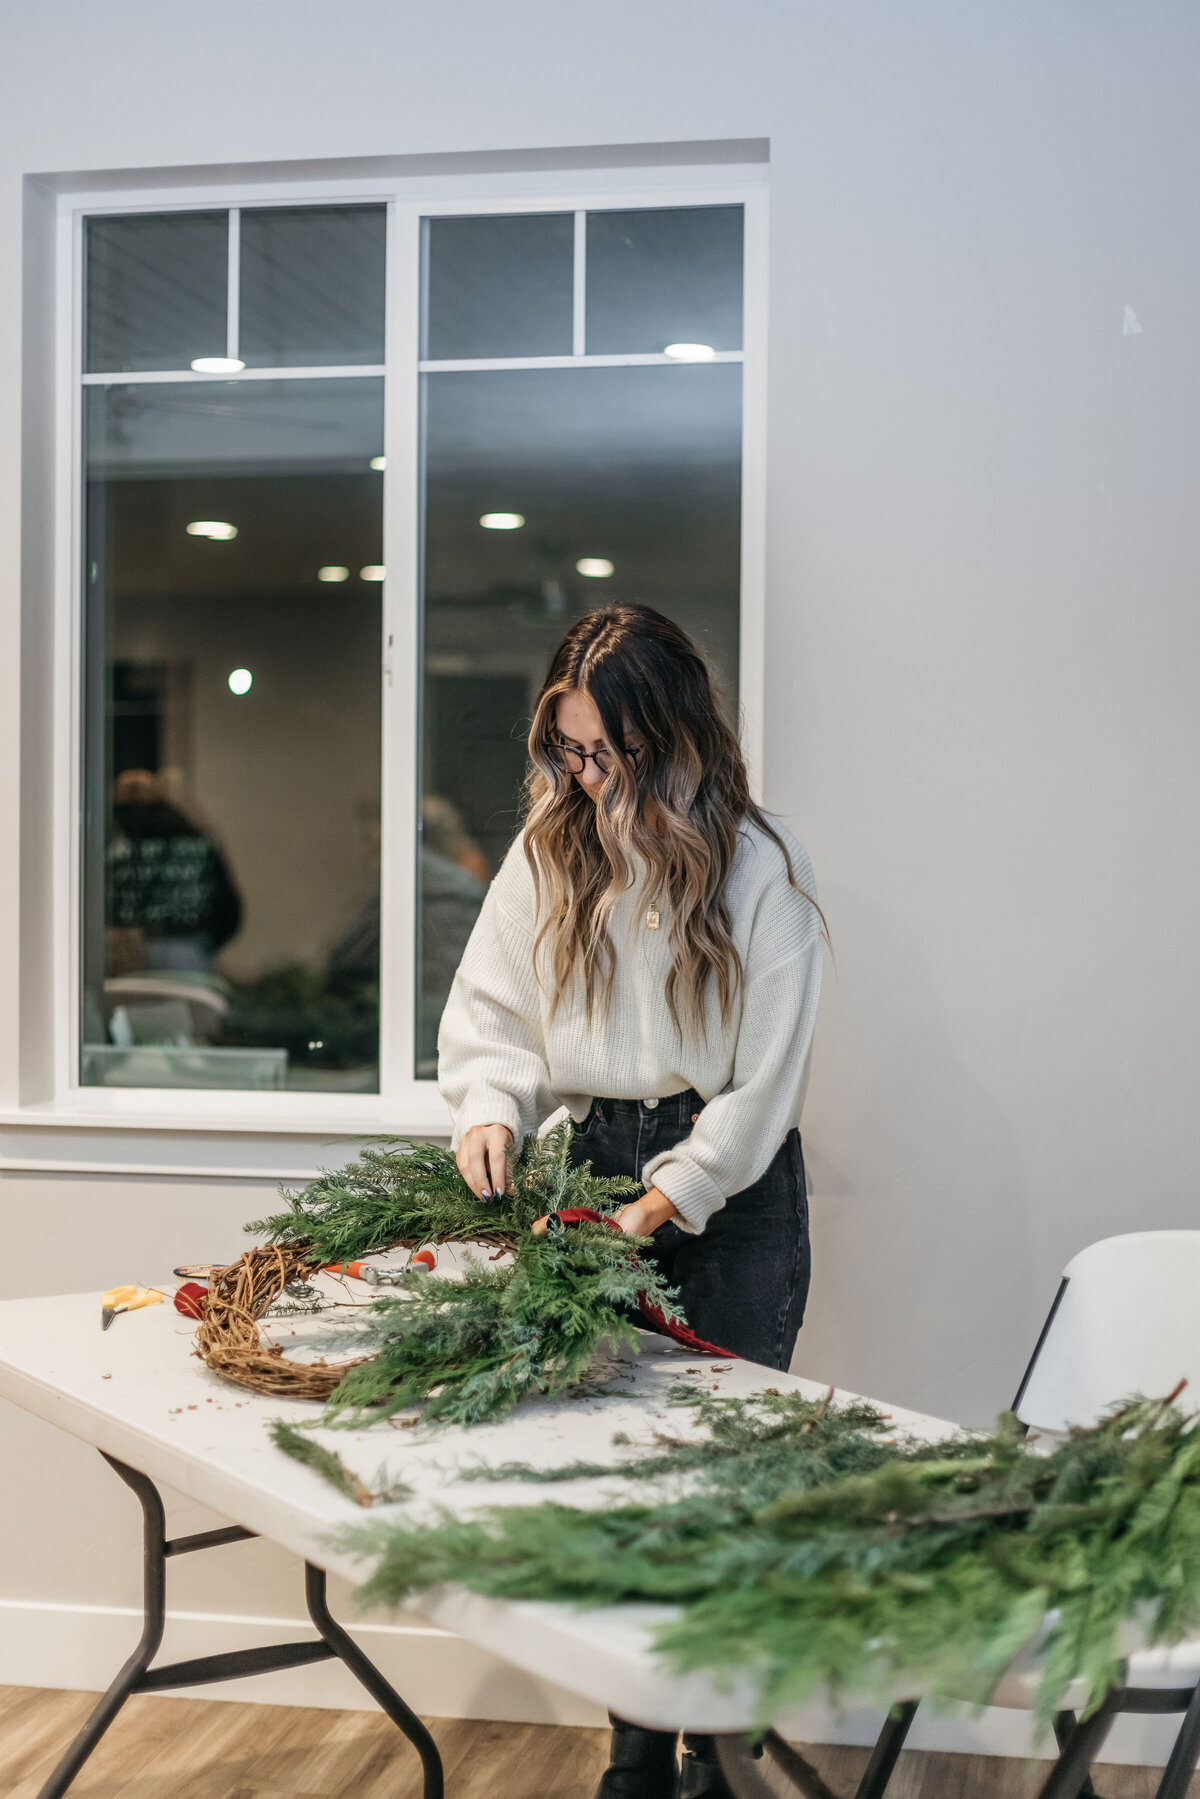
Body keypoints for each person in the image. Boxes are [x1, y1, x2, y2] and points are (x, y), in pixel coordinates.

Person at [436, 603, 825, 1799]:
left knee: (718, 1472)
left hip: (732, 1186)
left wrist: (669, 1201)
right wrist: (491, 1103)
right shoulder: (552, 842)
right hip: (595, 1157)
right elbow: (493, 1007)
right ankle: (639, 1747)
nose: (582, 772)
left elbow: (763, 1084)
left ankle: (717, 1738)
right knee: (615, 1471)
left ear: (673, 737)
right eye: (567, 747)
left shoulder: (757, 868)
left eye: (605, 750)